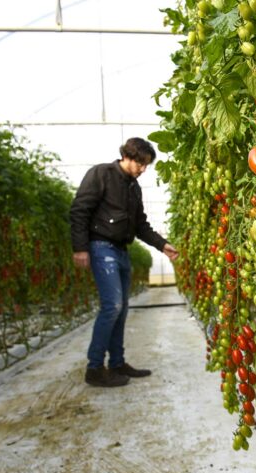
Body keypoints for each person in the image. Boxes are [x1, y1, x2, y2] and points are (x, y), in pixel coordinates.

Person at [69, 137, 179, 387]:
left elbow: (140, 225)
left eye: (146, 166)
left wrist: (162, 245)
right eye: (141, 164)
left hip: (120, 250)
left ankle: (117, 363)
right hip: (100, 247)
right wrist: (80, 248)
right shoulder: (101, 174)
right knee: (112, 306)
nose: (143, 170)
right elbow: (79, 210)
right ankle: (95, 368)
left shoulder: (133, 187)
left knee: (121, 309)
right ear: (128, 156)